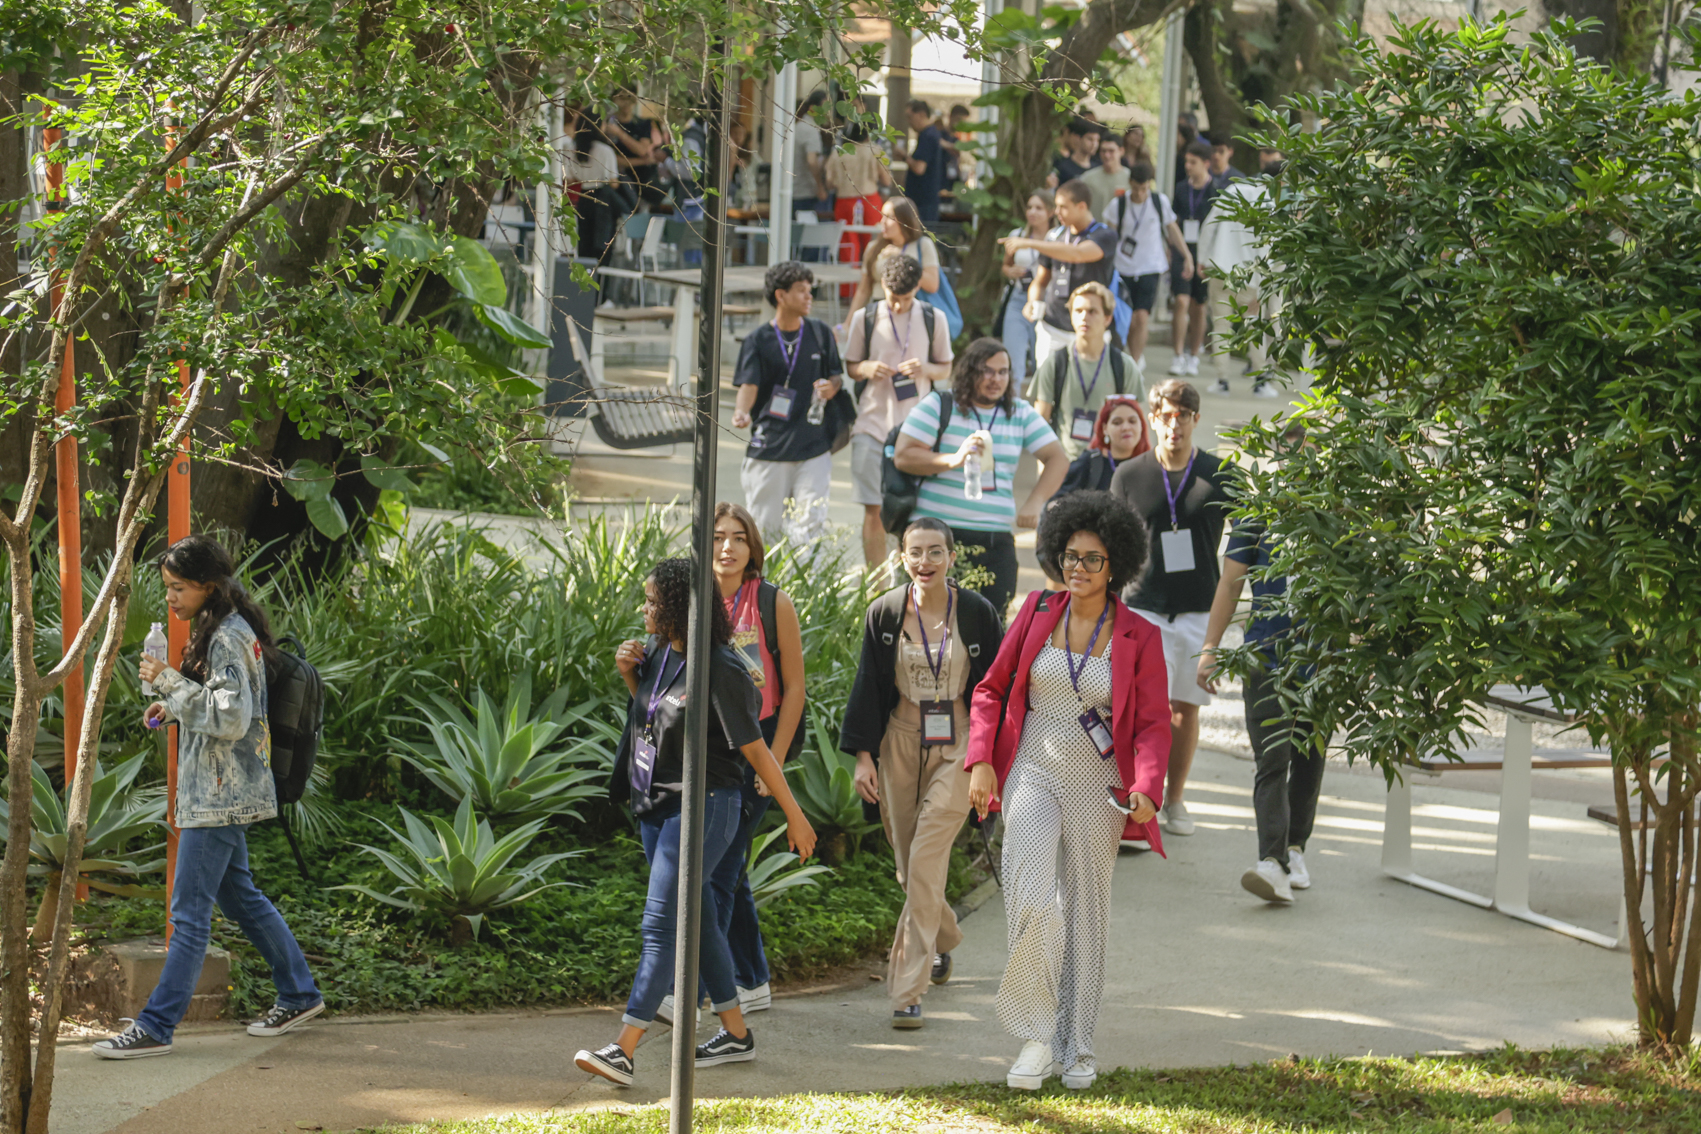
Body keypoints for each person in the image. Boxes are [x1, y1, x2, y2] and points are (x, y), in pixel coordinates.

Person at [575, 559, 817, 1086]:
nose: (644, 609)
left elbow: (756, 752)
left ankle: (624, 1048)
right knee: (701, 921)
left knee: (662, 924)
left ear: (679, 608)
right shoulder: (661, 654)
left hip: (704, 807)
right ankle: (735, 1032)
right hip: (656, 806)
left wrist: (795, 817)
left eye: (652, 601)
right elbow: (662, 718)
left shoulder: (721, 668)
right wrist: (629, 676)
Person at [966, 492, 1170, 1091]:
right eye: (1070, 556)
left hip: (1100, 786)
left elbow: (1156, 723)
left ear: (1118, 567)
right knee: (1034, 896)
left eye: (1093, 559)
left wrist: (1149, 787)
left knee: (1086, 914)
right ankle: (1035, 1037)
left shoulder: (1139, 635)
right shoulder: (1035, 611)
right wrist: (981, 761)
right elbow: (990, 690)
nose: (1078, 568)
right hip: (1033, 768)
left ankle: (1076, 1043)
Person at [95, 536, 323, 1058]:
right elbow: (223, 709)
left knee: (189, 913)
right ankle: (300, 992)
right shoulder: (226, 628)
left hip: (219, 795)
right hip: (223, 789)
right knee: (239, 896)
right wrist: (172, 708)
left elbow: (230, 718)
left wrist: (169, 682)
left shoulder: (226, 637)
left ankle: (156, 1026)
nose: (170, 597)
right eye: (167, 587)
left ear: (208, 587)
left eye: (178, 588)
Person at [840, 519, 1005, 1029]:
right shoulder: (885, 612)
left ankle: (907, 990)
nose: (925, 561)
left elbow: (995, 689)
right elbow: (868, 684)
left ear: (952, 557)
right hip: (900, 740)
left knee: (929, 849)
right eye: (915, 552)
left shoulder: (976, 613)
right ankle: (944, 934)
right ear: (901, 556)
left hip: (958, 742)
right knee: (910, 862)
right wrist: (863, 756)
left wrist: (986, 761)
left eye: (936, 552)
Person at [666, 505, 807, 1016]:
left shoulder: (772, 602)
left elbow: (793, 691)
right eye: (718, 538)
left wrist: (777, 761)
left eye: (738, 539)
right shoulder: (690, 602)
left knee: (720, 870)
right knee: (730, 865)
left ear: (753, 550)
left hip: (757, 742)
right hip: (705, 743)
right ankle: (750, 979)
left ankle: (699, 991)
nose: (727, 548)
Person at [1198, 425, 1321, 905]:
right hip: (1265, 655)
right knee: (1272, 758)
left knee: (1309, 756)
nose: (1299, 468)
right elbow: (1229, 586)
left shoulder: (1336, 516)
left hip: (1321, 656)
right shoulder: (1258, 515)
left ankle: (1295, 846)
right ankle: (1271, 861)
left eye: (1309, 458)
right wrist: (1210, 648)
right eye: (1291, 458)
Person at [1109, 380, 1238, 839]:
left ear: (1195, 420)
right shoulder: (1129, 474)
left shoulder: (1220, 474)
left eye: (1183, 415)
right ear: (1153, 417)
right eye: (1165, 415)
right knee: (1143, 708)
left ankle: (1175, 798)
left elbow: (1247, 543)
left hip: (1198, 608)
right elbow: (1114, 545)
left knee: (1185, 709)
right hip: (1142, 606)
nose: (1174, 424)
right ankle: (1138, 799)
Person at [894, 338, 1069, 617]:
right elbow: (903, 456)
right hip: (939, 533)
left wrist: (1034, 503)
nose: (995, 379)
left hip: (994, 535)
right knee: (924, 622)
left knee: (990, 624)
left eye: (1003, 372)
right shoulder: (940, 404)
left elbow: (1058, 459)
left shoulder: (1020, 413)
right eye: (987, 371)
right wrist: (952, 459)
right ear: (969, 371)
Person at [843, 254, 955, 569]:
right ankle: (876, 585)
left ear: (918, 288)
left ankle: (902, 579)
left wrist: (925, 368)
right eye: (893, 298)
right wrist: (866, 367)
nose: (898, 306)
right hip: (871, 424)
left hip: (916, 432)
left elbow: (945, 367)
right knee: (873, 510)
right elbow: (851, 366)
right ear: (882, 286)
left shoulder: (935, 318)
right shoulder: (865, 317)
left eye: (905, 299)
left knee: (910, 511)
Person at [731, 261, 847, 546]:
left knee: (810, 526)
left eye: (810, 290)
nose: (809, 296)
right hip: (770, 447)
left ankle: (806, 588)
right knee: (764, 530)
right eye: (800, 291)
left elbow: (836, 376)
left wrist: (831, 387)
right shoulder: (757, 341)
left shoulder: (820, 333)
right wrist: (741, 412)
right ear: (780, 296)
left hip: (814, 446)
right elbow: (749, 385)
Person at [1003, 179, 1118, 371]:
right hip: (1053, 325)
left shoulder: (1104, 235)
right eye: (1056, 206)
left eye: (1063, 207)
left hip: (1091, 326)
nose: (1056, 213)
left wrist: (1029, 243)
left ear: (1081, 206)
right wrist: (1033, 301)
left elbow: (1077, 254)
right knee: (1047, 387)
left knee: (1088, 386)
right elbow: (1040, 281)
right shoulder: (1053, 236)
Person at [1026, 282, 1142, 460]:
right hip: (1064, 465)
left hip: (1108, 465)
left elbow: (1136, 426)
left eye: (1092, 311)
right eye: (1078, 311)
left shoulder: (1124, 366)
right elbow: (1041, 425)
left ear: (1107, 318)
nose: (1084, 317)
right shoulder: (1055, 363)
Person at [1198, 162, 1276, 397]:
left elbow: (1209, 226)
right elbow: (1269, 248)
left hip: (1222, 269)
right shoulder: (1270, 204)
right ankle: (1261, 380)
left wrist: (1202, 259)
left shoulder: (1233, 192)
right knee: (1253, 326)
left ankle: (1222, 380)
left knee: (1221, 326)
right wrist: (1265, 285)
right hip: (1251, 277)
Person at [1105, 161, 1192, 369]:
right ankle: (1128, 355)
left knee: (1142, 317)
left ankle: (1135, 362)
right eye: (1136, 188)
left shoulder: (1158, 201)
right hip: (1123, 267)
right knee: (1126, 318)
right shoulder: (1119, 205)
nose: (1140, 193)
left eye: (1144, 189)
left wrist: (1186, 255)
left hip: (1150, 267)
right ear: (1130, 184)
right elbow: (1109, 236)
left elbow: (1172, 229)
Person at [1167, 141, 1217, 380]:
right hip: (1182, 249)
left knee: (1199, 306)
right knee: (1181, 301)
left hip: (1205, 253)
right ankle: (1178, 354)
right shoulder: (1179, 189)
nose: (1188, 166)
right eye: (1186, 162)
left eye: (1193, 162)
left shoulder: (1215, 191)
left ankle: (1193, 354)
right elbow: (1173, 222)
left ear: (1206, 164)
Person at [846, 196, 942, 319]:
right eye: (882, 216)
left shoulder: (923, 245)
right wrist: (849, 323)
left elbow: (932, 285)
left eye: (889, 217)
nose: (883, 222)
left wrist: (901, 258)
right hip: (879, 312)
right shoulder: (874, 247)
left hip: (912, 313)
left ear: (905, 220)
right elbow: (863, 290)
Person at [563, 108, 630, 274]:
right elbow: (613, 182)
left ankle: (585, 286)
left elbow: (570, 179)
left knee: (584, 244)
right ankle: (601, 288)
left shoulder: (570, 148)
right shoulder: (605, 151)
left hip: (583, 198)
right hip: (602, 199)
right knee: (603, 245)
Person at [999, 190, 1054, 393]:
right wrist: (1010, 271)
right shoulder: (1017, 236)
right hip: (1018, 298)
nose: (1032, 212)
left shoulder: (1057, 238)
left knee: (1043, 360)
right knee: (1013, 359)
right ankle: (1011, 406)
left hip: (1047, 301)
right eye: (1030, 207)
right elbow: (1005, 265)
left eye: (1039, 208)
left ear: (1050, 212)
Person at [1053, 396, 1151, 499]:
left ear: (1141, 426)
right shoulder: (1089, 464)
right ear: (1105, 428)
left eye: (1132, 421)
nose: (1126, 427)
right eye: (1117, 422)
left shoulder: (1151, 465)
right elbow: (1055, 504)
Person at [827, 119, 894, 264]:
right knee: (874, 245)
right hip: (870, 199)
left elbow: (829, 182)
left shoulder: (839, 152)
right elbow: (887, 180)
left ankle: (849, 285)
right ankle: (871, 281)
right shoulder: (875, 150)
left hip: (844, 200)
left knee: (848, 247)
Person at [608, 90, 671, 208]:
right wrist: (643, 161)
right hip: (620, 183)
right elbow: (613, 159)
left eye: (630, 99)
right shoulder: (608, 125)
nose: (626, 103)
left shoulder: (643, 124)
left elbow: (642, 150)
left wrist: (620, 134)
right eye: (622, 98)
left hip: (644, 181)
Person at [904, 99, 947, 224]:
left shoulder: (928, 136)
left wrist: (904, 157)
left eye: (910, 117)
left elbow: (919, 168)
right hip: (924, 199)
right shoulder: (931, 134)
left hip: (922, 201)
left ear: (921, 115)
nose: (909, 122)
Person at [792, 90, 831, 223]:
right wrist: (820, 187)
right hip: (805, 192)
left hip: (794, 190)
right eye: (824, 107)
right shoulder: (810, 130)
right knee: (809, 238)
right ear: (813, 108)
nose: (827, 112)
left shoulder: (798, 127)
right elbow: (812, 161)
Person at [1079, 132, 1132, 218]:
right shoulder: (1087, 178)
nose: (1107, 155)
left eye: (1111, 151)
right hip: (1095, 228)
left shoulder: (1130, 178)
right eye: (1103, 151)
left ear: (1121, 151)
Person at [1048, 118, 1099, 188]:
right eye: (1090, 139)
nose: (1094, 144)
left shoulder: (1098, 168)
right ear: (1078, 139)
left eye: (1097, 140)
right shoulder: (1063, 167)